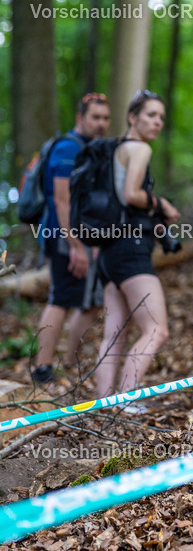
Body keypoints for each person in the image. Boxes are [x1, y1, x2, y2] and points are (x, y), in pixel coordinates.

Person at [93, 90, 180, 403]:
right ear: (132, 117)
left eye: (161, 117)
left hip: (108, 252)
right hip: (130, 252)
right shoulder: (139, 149)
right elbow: (131, 194)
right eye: (150, 115)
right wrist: (162, 203)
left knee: (114, 334)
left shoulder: (113, 151)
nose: (157, 122)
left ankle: (102, 406)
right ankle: (125, 401)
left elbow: (120, 204)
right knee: (157, 330)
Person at [30, 93, 111, 383]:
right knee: (61, 298)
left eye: (105, 118)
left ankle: (67, 364)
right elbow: (62, 201)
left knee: (89, 302)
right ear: (80, 118)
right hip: (62, 233)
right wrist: (75, 245)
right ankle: (42, 369)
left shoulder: (90, 148)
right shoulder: (68, 148)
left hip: (83, 237)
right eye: (95, 117)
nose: (101, 123)